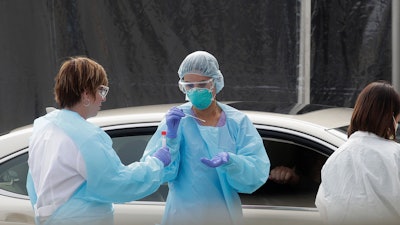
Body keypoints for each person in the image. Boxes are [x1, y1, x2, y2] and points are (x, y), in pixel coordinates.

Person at [26, 56, 171, 225]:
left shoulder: (43, 128)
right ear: (86, 93)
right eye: (102, 91)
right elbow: (117, 183)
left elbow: (34, 186)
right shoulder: (85, 136)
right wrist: (156, 164)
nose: (104, 98)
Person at [141, 50, 270, 225]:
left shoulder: (238, 123)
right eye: (189, 85)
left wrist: (232, 162)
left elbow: (256, 174)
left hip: (223, 217)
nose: (195, 91)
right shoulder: (176, 120)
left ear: (216, 82)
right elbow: (157, 173)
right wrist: (170, 139)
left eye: (202, 85)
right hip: (182, 217)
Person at [315, 81, 400, 225]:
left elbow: (324, 206)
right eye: (398, 119)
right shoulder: (395, 155)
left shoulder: (335, 158)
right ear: (390, 118)